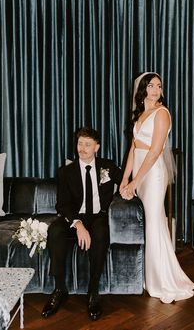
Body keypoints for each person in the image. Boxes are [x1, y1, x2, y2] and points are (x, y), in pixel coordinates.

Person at [120, 72, 194, 304]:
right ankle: (152, 276)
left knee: (154, 223)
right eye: (151, 85)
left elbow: (154, 152)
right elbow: (133, 149)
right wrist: (125, 179)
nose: (155, 90)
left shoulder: (162, 113)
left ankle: (162, 281)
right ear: (142, 89)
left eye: (159, 86)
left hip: (152, 175)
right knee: (150, 224)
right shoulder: (140, 115)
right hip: (138, 173)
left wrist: (136, 181)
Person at [41, 127, 122, 320]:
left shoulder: (108, 166)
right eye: (80, 143)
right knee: (55, 231)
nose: (82, 148)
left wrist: (129, 189)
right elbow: (62, 205)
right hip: (75, 217)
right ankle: (60, 289)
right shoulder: (65, 172)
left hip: (98, 216)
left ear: (97, 147)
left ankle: (93, 291)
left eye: (87, 144)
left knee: (102, 231)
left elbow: (125, 182)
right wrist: (78, 225)